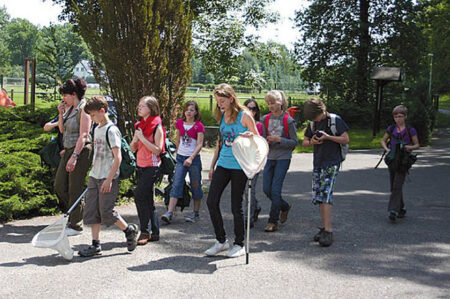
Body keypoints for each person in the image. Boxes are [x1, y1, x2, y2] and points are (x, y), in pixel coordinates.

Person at [78, 96, 139, 257]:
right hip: (95, 175)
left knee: (106, 211)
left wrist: (109, 179)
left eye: (92, 115)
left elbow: (117, 157)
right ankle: (95, 244)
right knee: (92, 211)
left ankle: (129, 230)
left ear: (102, 111)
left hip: (107, 176)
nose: (91, 118)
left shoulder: (111, 130)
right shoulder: (97, 128)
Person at [205, 83, 259, 258]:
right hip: (223, 163)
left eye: (222, 101)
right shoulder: (222, 115)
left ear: (231, 98)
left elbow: (258, 139)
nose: (219, 104)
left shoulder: (244, 115)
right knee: (211, 201)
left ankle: (239, 244)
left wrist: (251, 136)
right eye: (217, 101)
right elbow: (220, 143)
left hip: (240, 165)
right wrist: (212, 165)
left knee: (236, 205)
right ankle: (221, 241)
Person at [302, 98, 349, 247]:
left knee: (326, 195)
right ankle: (324, 228)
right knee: (319, 196)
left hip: (332, 162)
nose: (315, 120)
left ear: (322, 111)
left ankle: (329, 231)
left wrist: (328, 137)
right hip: (318, 163)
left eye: (316, 117)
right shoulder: (313, 123)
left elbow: (345, 139)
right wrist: (312, 142)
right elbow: (304, 141)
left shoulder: (335, 120)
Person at [54, 78, 93, 236]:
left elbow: (84, 135)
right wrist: (61, 114)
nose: (63, 97)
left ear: (74, 94)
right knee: (59, 185)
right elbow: (62, 131)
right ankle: (74, 214)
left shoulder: (84, 109)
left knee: (74, 187)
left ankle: (76, 225)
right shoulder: (70, 108)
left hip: (81, 150)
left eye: (65, 94)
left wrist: (75, 156)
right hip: (69, 149)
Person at [161, 100, 205, 224]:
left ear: (196, 112)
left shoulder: (199, 126)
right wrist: (177, 152)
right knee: (177, 183)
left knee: (195, 185)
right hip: (181, 158)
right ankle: (169, 212)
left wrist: (191, 158)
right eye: (187, 110)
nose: (189, 112)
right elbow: (178, 139)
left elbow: (200, 144)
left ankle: (195, 212)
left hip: (193, 160)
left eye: (192, 110)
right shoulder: (180, 123)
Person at [261, 90, 298, 232]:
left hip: (283, 157)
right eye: (268, 103)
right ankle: (284, 206)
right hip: (270, 157)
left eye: (272, 103)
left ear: (280, 102)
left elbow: (294, 142)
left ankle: (272, 221)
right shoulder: (265, 119)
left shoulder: (288, 120)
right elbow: (263, 138)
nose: (270, 105)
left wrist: (279, 139)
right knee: (266, 190)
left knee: (275, 190)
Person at [130, 96, 164, 245]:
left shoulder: (157, 126)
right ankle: (155, 232)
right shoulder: (139, 125)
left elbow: (158, 150)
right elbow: (133, 148)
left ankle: (145, 231)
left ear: (151, 108)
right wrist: (135, 141)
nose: (139, 108)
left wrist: (142, 138)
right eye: (138, 105)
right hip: (141, 165)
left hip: (152, 166)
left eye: (142, 106)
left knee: (139, 196)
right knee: (148, 199)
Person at [380, 105, 419, 222]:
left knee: (397, 185)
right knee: (393, 185)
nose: (398, 118)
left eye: (400, 116)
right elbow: (383, 140)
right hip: (392, 159)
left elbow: (417, 145)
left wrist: (408, 147)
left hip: (403, 161)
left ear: (405, 116)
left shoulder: (410, 130)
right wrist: (387, 149)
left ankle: (393, 210)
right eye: (396, 116)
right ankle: (401, 208)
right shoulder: (391, 129)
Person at [242, 98, 263, 228]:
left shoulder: (259, 125)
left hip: (254, 162)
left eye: (253, 109)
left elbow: (261, 143)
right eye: (248, 108)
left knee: (250, 189)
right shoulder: (240, 124)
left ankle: (247, 218)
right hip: (242, 160)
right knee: (244, 190)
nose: (251, 111)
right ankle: (255, 207)